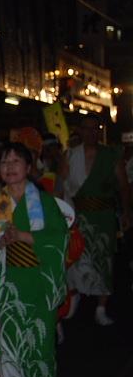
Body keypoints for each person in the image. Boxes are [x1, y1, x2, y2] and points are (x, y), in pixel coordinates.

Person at [0, 143, 68, 377]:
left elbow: (59, 239)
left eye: (16, 161)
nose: (9, 166)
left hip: (38, 281)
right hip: (9, 283)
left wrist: (23, 236)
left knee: (39, 340)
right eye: (4, 162)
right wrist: (1, 243)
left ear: (29, 167)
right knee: (8, 344)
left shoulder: (45, 202)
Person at [62, 115, 131, 325]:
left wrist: (127, 211)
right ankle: (74, 296)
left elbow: (123, 185)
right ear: (80, 131)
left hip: (103, 216)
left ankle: (101, 307)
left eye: (95, 129)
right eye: (86, 128)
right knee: (75, 255)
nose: (91, 132)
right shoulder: (70, 155)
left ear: (99, 131)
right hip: (78, 214)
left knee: (104, 258)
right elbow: (60, 184)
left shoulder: (111, 154)